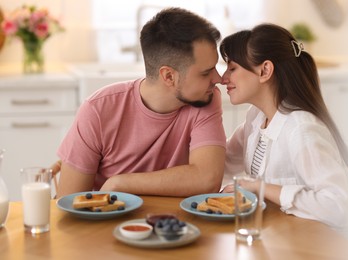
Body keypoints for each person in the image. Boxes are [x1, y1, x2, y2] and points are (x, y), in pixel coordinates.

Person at [219, 23, 348, 252]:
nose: (223, 78)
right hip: (288, 241)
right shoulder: (255, 119)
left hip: (334, 249)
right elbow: (219, 165)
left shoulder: (301, 129)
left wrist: (260, 188)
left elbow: (338, 207)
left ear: (265, 71)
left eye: (232, 68)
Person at [56, 8, 226, 198]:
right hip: (108, 223)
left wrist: (120, 183)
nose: (218, 78)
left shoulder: (205, 99)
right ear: (169, 76)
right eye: (205, 72)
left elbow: (207, 179)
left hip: (176, 225)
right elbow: (68, 201)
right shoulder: (98, 109)